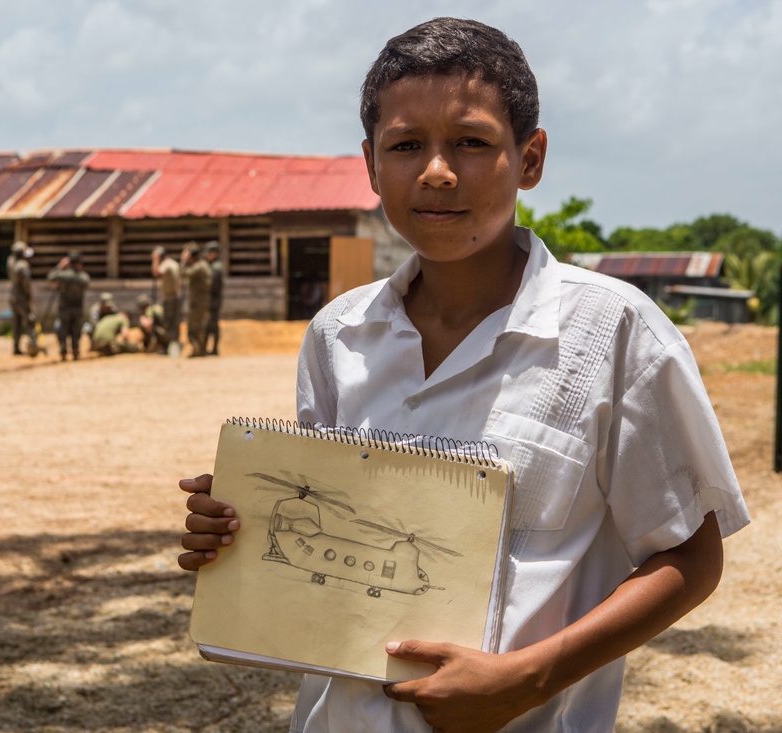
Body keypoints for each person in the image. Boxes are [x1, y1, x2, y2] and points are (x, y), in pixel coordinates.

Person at [177, 17, 749, 733]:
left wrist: (527, 678)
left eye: (472, 143)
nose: (438, 171)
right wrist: (236, 531)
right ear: (370, 164)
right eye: (406, 145)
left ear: (530, 158)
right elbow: (334, 538)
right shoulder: (338, 336)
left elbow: (691, 556)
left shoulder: (613, 332)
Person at [47, 250, 91, 361]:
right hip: (78, 308)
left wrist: (60, 266)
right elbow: (87, 284)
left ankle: (63, 351)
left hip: (65, 308)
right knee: (76, 331)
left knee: (63, 330)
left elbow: (50, 276)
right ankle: (75, 350)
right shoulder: (83, 277)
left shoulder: (63, 275)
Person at [6, 240, 40, 356]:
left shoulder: (10, 262)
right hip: (21, 297)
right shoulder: (23, 265)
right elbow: (26, 284)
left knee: (17, 323)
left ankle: (16, 347)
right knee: (30, 320)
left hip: (12, 296)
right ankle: (33, 346)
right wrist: (29, 295)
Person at [180, 241, 212, 357]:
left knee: (195, 326)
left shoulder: (198, 267)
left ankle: (197, 350)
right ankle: (199, 350)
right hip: (200, 301)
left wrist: (183, 261)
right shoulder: (202, 264)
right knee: (198, 325)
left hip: (198, 302)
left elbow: (183, 274)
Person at [152, 245, 181, 349]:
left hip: (169, 298)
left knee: (168, 323)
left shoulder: (166, 264)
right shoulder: (174, 263)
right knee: (175, 322)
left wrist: (155, 260)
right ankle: (174, 345)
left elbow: (156, 273)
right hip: (176, 296)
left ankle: (169, 347)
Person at [203, 241, 224, 355]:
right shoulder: (212, 266)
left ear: (215, 253)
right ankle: (208, 348)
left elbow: (211, 285)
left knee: (213, 325)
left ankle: (214, 348)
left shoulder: (216, 267)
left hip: (213, 301)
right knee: (209, 324)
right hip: (212, 300)